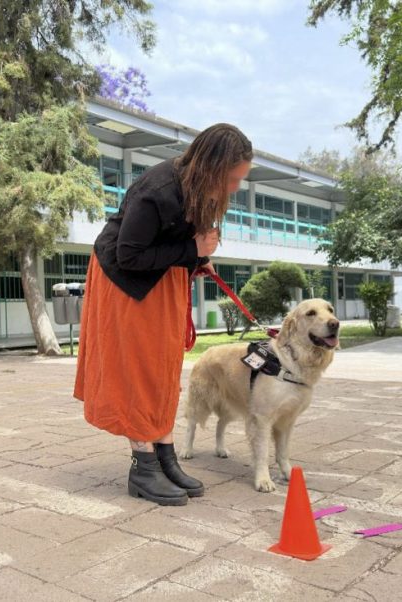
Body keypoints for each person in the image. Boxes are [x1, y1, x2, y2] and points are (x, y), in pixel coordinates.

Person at [74, 123, 252, 506]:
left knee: (165, 366)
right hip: (125, 281)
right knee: (140, 370)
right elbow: (129, 255)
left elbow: (178, 242)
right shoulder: (157, 189)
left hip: (163, 277)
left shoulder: (198, 188)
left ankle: (164, 455)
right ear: (211, 167)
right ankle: (143, 466)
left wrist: (196, 260)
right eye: (232, 179)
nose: (235, 188)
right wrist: (191, 251)